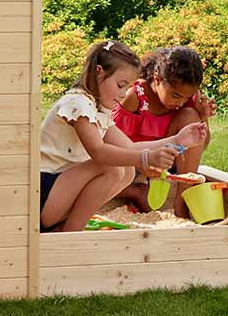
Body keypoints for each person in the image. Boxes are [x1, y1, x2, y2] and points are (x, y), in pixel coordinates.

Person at [40, 40, 208, 232]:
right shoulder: (77, 104)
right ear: (98, 72)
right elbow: (99, 152)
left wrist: (177, 140)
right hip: (43, 193)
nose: (122, 94)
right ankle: (70, 231)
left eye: (127, 86)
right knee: (111, 167)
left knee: (126, 170)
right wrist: (146, 158)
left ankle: (65, 226)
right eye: (120, 85)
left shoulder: (97, 110)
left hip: (59, 194)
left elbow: (127, 147)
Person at [112, 45, 217, 216]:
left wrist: (203, 117)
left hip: (166, 165)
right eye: (175, 96)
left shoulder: (188, 100)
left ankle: (182, 198)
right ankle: (134, 191)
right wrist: (141, 162)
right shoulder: (135, 96)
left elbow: (199, 146)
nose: (180, 102)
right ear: (158, 78)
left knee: (191, 115)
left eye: (186, 97)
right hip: (131, 162)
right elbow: (111, 143)